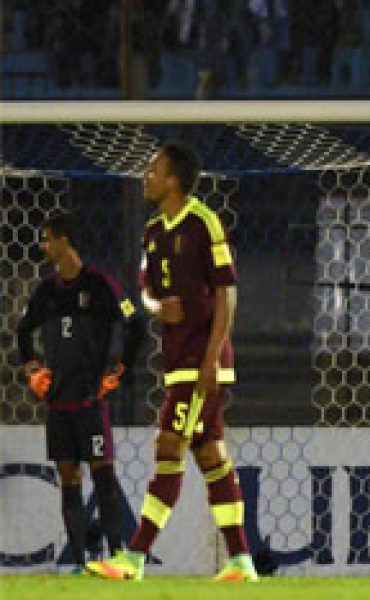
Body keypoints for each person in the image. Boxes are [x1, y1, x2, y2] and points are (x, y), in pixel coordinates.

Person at [87, 142, 257, 582]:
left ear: (174, 180)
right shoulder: (153, 231)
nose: (146, 175)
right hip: (177, 358)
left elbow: (228, 292)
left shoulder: (203, 222)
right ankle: (241, 560)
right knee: (211, 456)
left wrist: (211, 359)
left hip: (201, 361)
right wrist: (158, 308)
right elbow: (145, 288)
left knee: (168, 449)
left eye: (153, 170)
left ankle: (135, 557)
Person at [16, 212, 143, 573]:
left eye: (46, 239)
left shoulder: (102, 285)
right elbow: (23, 333)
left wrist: (121, 370)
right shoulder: (46, 292)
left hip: (91, 403)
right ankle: (78, 562)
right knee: (69, 480)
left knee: (103, 476)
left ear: (63, 240)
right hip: (58, 405)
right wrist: (32, 370)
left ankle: (117, 556)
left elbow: (136, 325)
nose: (43, 246)